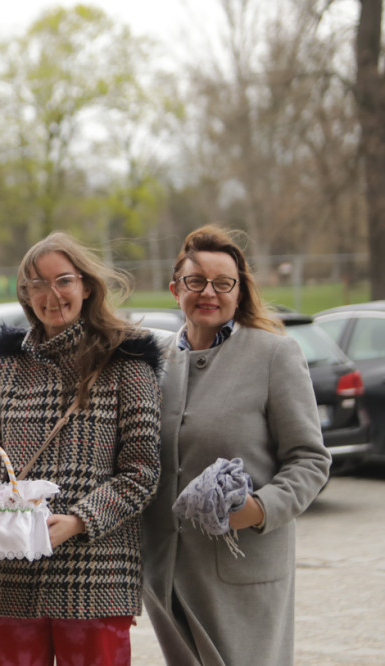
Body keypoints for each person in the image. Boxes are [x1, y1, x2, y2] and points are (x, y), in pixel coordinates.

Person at [0, 232, 163, 666]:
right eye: (37, 284)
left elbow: (142, 472)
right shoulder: (6, 365)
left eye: (63, 281)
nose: (50, 294)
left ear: (86, 286)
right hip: (9, 570)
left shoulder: (127, 362)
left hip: (96, 571)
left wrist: (79, 520)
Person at [141, 225, 331, 666]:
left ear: (239, 291)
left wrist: (259, 509)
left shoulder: (274, 355)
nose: (208, 292)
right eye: (195, 281)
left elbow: (309, 460)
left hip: (243, 573)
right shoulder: (154, 363)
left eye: (222, 283)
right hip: (167, 574)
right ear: (175, 289)